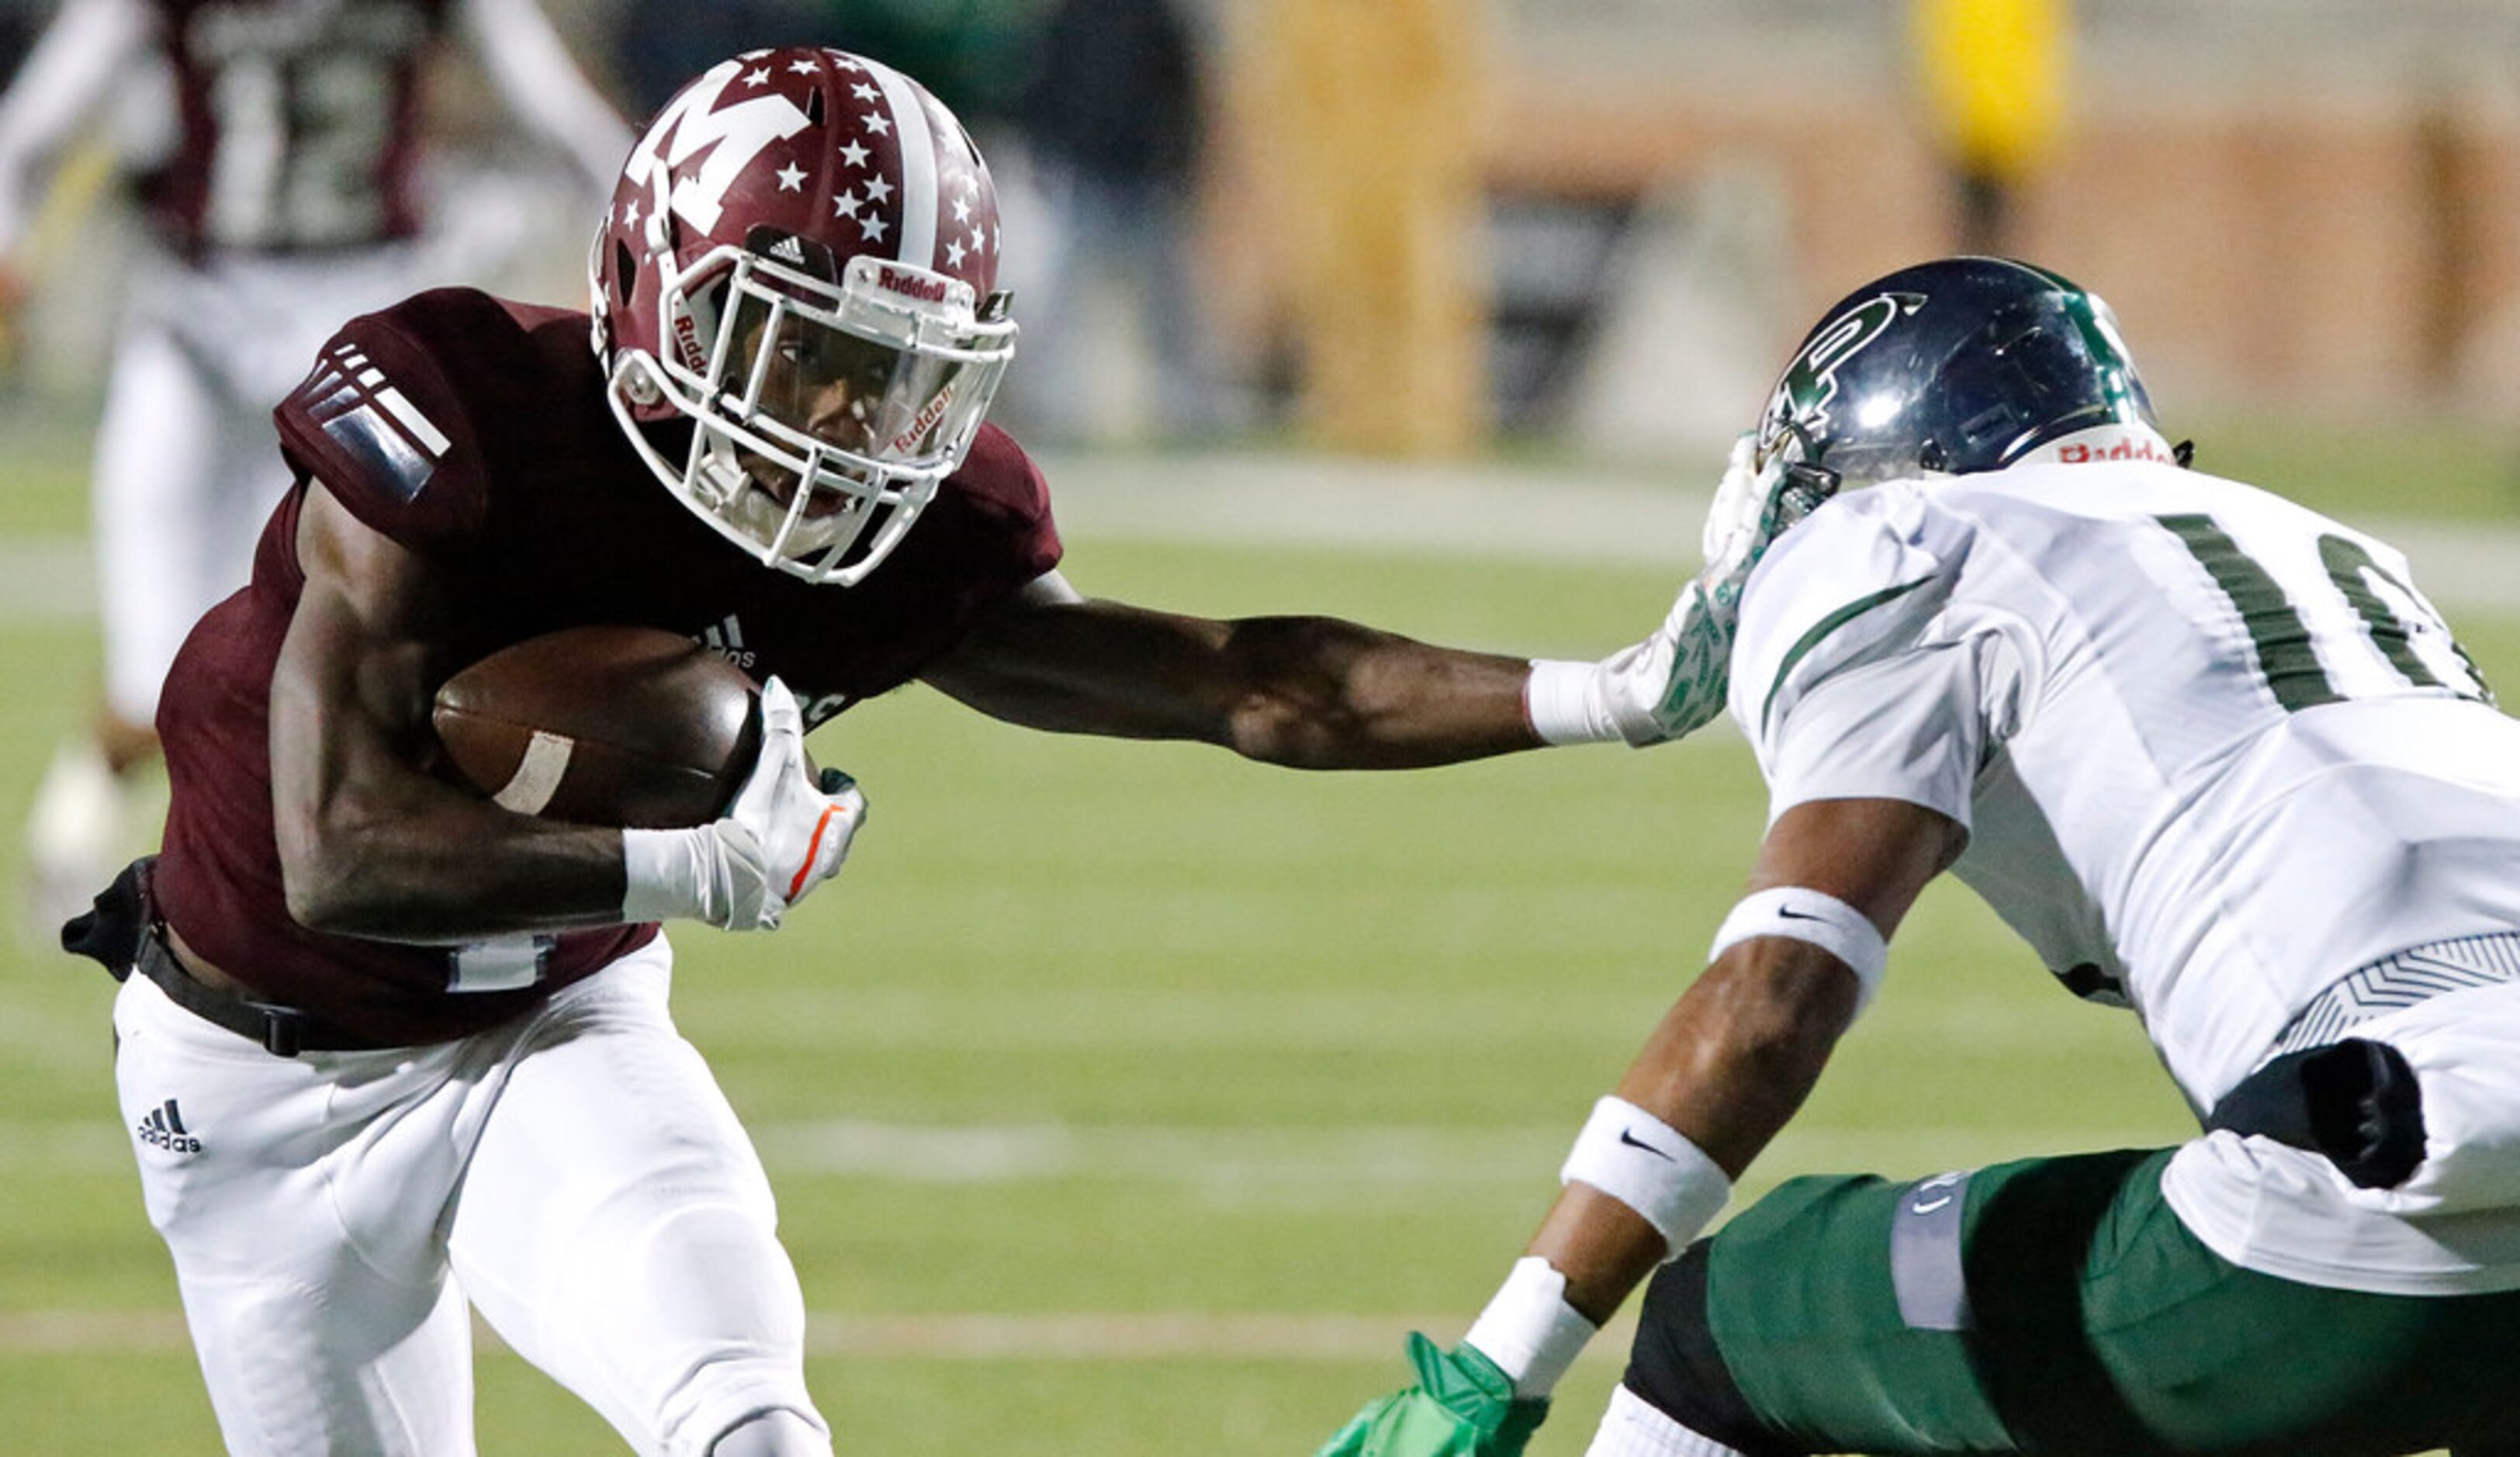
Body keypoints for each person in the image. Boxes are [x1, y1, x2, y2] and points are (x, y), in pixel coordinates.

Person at [64, 47, 1816, 1455]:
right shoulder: (461, 414)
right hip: (261, 1073)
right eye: (808, 353)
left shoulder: (905, 529)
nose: (849, 430)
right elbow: (340, 849)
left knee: (745, 1419)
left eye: (895, 376)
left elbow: (1241, 682)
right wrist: (674, 868)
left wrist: (1612, 689)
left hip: (550, 1028)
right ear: (666, 293)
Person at [1320, 256, 2520, 1457]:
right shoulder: (2331, 554)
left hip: (2384, 1183)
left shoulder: (1908, 538)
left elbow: (1774, 1000)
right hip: (2444, 1117)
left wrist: (1493, 1368)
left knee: (1727, 1319)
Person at [0, 0, 632, 935]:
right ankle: (76, 844)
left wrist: (635, 258)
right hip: (197, 327)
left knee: (357, 642)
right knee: (157, 659)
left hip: (360, 344)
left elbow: (568, 120)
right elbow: (31, 131)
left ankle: (345, 876)